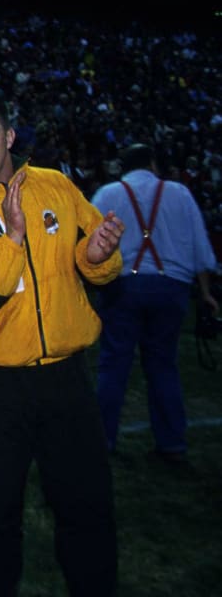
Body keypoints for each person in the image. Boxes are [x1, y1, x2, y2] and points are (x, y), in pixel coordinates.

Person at [0, 89, 125, 597]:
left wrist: (96, 255)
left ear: (9, 136)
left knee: (86, 505)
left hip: (66, 377)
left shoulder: (56, 186)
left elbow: (98, 262)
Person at [91, 143, 219, 462]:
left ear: (122, 166)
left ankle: (102, 440)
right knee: (163, 365)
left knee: (114, 362)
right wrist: (205, 293)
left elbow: (89, 243)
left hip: (123, 284)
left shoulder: (108, 194)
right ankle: (172, 442)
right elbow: (200, 247)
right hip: (171, 285)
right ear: (152, 164)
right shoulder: (179, 193)